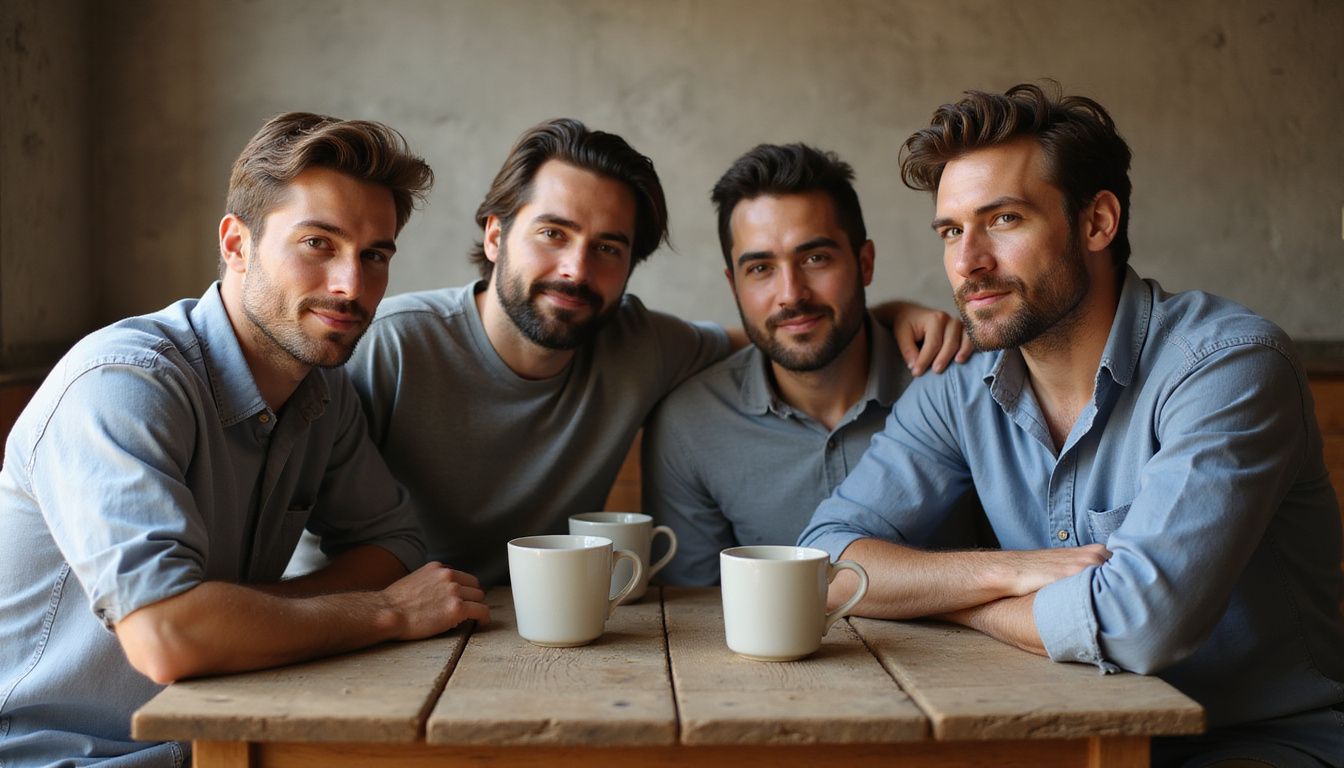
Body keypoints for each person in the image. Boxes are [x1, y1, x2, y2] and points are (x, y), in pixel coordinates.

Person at [798, 83, 1344, 767]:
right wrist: (1013, 571)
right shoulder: (958, 389)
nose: (967, 263)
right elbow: (826, 562)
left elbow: (1139, 624)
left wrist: (943, 601)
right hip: (1055, 740)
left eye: (1003, 220)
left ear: (1097, 223)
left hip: (1244, 742)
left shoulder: (1226, 368)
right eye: (950, 230)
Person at [0, 112, 489, 767]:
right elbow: (168, 638)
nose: (351, 286)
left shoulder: (322, 391)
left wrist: (233, 617)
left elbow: (391, 544)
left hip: (214, 744)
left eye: (374, 255)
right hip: (55, 755)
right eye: (319, 243)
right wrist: (385, 614)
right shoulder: (123, 382)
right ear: (236, 244)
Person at [347, 119, 965, 587]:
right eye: (553, 233)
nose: (575, 268)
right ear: (495, 233)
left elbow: (781, 330)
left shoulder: (640, 345)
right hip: (383, 620)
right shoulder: (395, 343)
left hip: (537, 629)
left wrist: (882, 317)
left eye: (608, 247)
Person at [642, 143, 976, 585]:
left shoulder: (954, 381)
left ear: (865, 262)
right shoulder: (691, 425)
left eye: (815, 259)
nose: (791, 294)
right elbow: (695, 615)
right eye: (760, 268)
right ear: (734, 285)